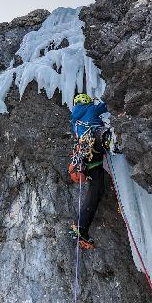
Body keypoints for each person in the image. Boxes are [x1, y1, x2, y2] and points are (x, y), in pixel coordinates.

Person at [69, 93, 108, 249]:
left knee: (96, 190)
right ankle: (111, 140)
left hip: (87, 159)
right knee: (101, 135)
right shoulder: (90, 108)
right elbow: (105, 105)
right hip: (93, 141)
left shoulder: (74, 119)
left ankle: (81, 227)